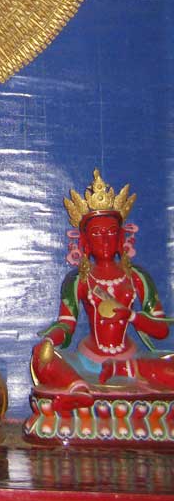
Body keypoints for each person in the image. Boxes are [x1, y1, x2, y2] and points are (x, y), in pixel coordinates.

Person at [31, 169, 174, 410]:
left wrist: (129, 315)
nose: (105, 241)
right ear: (84, 242)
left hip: (132, 360)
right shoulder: (79, 280)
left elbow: (160, 330)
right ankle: (79, 390)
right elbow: (67, 325)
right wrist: (49, 340)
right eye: (97, 234)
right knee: (41, 357)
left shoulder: (137, 277)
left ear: (121, 238)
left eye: (111, 233)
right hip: (89, 362)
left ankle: (114, 374)